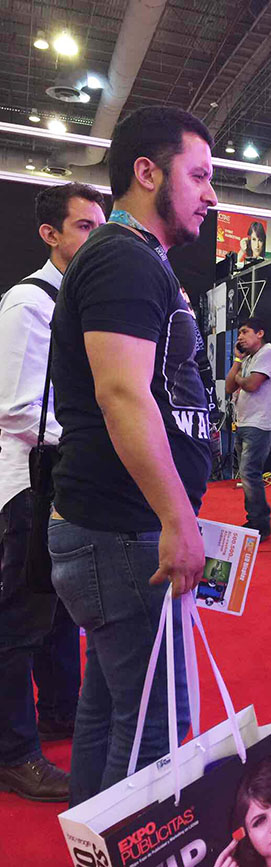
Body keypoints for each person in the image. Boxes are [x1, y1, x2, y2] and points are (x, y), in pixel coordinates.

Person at [47, 105, 217, 807]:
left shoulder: (134, 258)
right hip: (124, 530)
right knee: (157, 730)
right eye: (198, 176)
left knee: (111, 708)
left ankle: (91, 845)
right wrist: (177, 519)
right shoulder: (123, 257)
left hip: (112, 528)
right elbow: (122, 393)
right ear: (147, 172)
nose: (210, 195)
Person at [0, 182, 105, 802]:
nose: (95, 238)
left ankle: (60, 711)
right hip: (26, 483)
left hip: (63, 479)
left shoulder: (74, 301)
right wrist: (95, 432)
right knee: (20, 619)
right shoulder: (28, 302)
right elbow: (16, 408)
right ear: (50, 234)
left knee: (61, 607)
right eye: (84, 227)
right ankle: (13, 752)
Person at [225, 318, 271, 542]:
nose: (240, 336)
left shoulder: (269, 353)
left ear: (260, 333)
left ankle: (261, 523)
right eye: (239, 333)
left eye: (245, 332)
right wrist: (238, 361)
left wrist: (240, 378)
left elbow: (251, 385)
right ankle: (255, 519)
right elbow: (229, 386)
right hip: (244, 422)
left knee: (250, 473)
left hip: (260, 423)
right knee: (248, 474)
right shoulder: (248, 358)